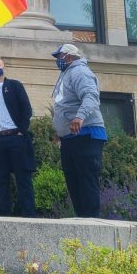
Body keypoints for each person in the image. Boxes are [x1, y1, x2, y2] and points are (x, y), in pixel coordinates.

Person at [51, 43, 107, 218]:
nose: (57, 60)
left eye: (59, 56)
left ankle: (91, 221)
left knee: (86, 180)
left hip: (86, 134)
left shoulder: (80, 72)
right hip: (70, 137)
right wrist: (58, 131)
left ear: (68, 56)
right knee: (74, 181)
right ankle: (81, 220)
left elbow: (91, 96)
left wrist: (79, 117)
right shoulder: (66, 74)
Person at [0, 57, 36, 217]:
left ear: (4, 67)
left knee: (23, 179)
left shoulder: (15, 86)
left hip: (16, 138)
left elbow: (27, 109)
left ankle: (29, 215)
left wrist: (21, 131)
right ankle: (3, 215)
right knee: (1, 180)